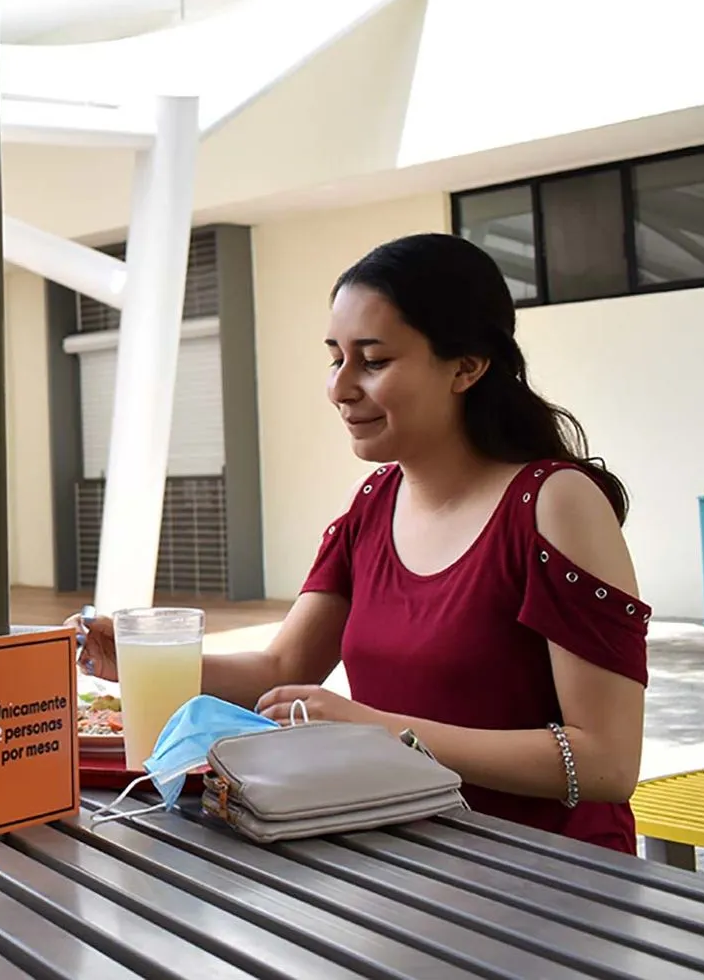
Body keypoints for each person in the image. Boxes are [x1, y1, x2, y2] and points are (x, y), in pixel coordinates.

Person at [77, 233, 649, 853]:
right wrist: (128, 663)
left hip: (550, 879)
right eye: (335, 358)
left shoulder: (556, 502)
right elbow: (283, 670)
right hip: (398, 860)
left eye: (373, 361)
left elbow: (606, 762)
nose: (340, 387)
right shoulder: (375, 502)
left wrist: (377, 730)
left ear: (467, 365)